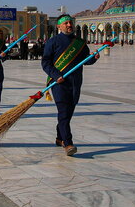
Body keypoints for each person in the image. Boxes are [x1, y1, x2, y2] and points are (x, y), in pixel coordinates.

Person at [41, 14, 99, 156]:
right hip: (59, 84)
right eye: (65, 23)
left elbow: (86, 60)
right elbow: (45, 62)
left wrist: (93, 58)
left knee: (67, 113)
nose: (69, 25)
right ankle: (68, 143)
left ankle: (59, 137)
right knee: (64, 112)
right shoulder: (53, 42)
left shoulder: (79, 42)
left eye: (70, 23)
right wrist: (56, 75)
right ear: (59, 26)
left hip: (75, 83)